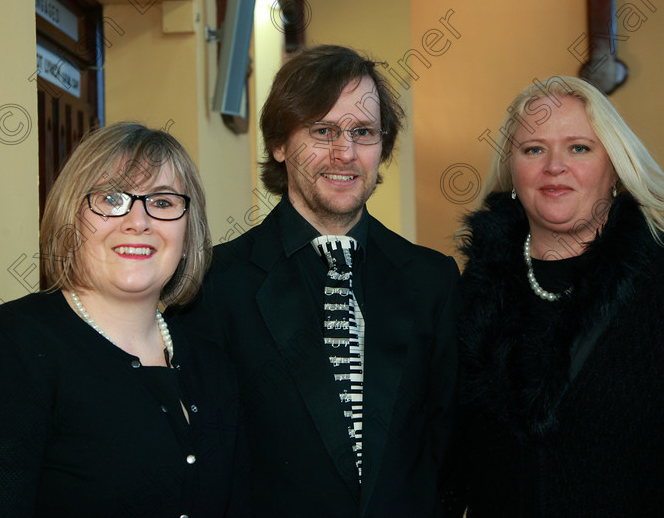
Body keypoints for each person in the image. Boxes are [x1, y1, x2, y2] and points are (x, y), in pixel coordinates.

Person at [170, 44, 459, 517]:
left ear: (381, 147)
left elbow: (448, 444)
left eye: (363, 132)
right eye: (322, 131)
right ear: (280, 144)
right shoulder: (213, 284)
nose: (344, 153)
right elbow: (203, 456)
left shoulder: (433, 280)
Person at [445, 76, 664, 516]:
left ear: (616, 168)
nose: (554, 167)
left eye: (579, 148)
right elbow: (455, 460)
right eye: (534, 149)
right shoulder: (476, 288)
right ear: (512, 169)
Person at [0, 123, 248, 517]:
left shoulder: (212, 363)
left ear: (187, 230)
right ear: (70, 218)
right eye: (111, 199)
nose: (138, 221)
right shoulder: (4, 349)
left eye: (161, 202)